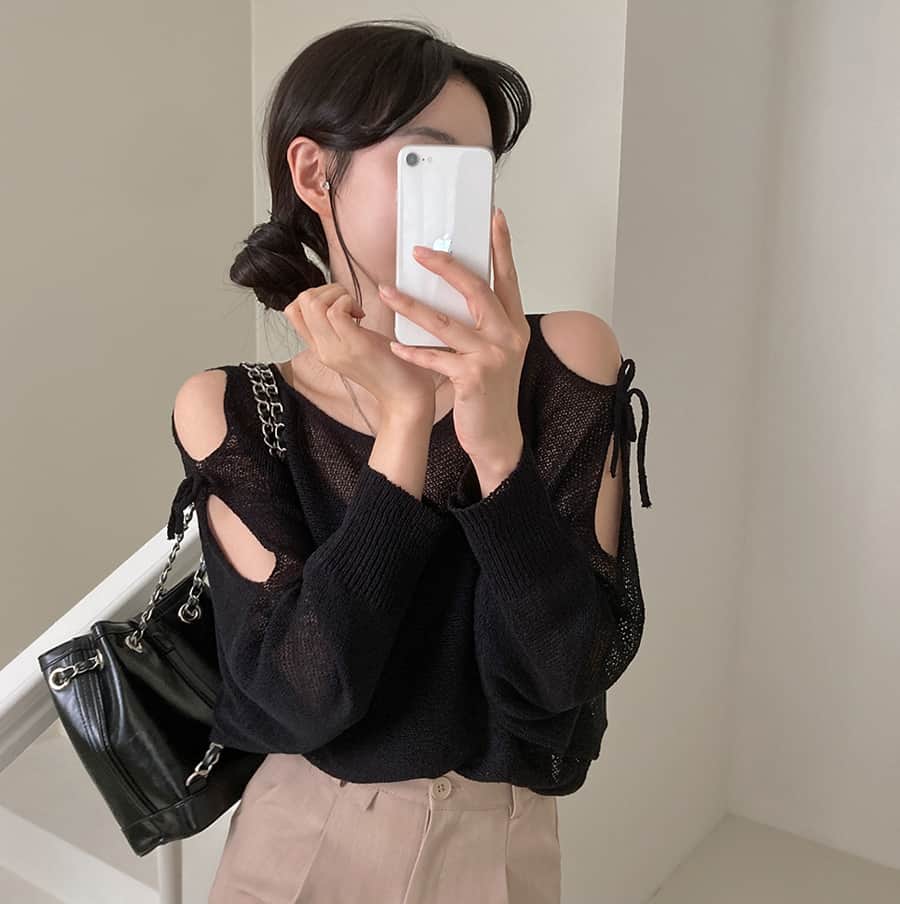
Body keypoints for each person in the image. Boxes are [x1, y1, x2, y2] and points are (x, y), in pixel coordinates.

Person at [169, 17, 652, 904]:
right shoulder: (233, 410)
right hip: (304, 835)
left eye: (478, 170)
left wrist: (496, 444)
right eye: (428, 162)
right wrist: (402, 425)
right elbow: (302, 696)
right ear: (314, 173)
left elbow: (563, 674)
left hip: (498, 844)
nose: (461, 198)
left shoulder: (569, 361)